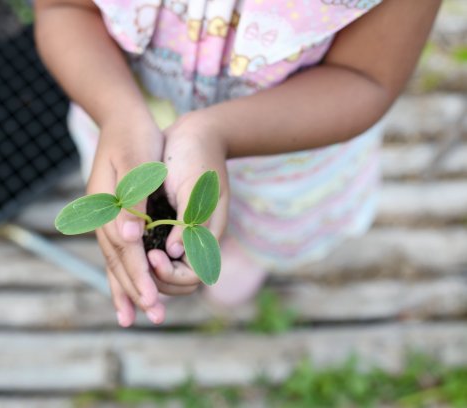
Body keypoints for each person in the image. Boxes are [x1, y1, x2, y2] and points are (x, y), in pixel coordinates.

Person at [34, 0, 441, 327]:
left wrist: (214, 133)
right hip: (131, 127)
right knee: (150, 226)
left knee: (267, 234)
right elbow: (64, 9)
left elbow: (366, 78)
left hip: (287, 160)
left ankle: (255, 252)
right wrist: (117, 113)